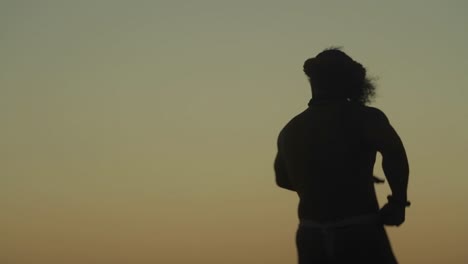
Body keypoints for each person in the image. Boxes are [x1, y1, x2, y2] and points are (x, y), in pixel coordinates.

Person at [274, 48, 410, 264]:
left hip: (311, 236)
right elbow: (395, 155)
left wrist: (324, 179)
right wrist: (398, 202)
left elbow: (283, 179)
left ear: (313, 81)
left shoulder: (291, 129)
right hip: (359, 231)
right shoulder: (365, 118)